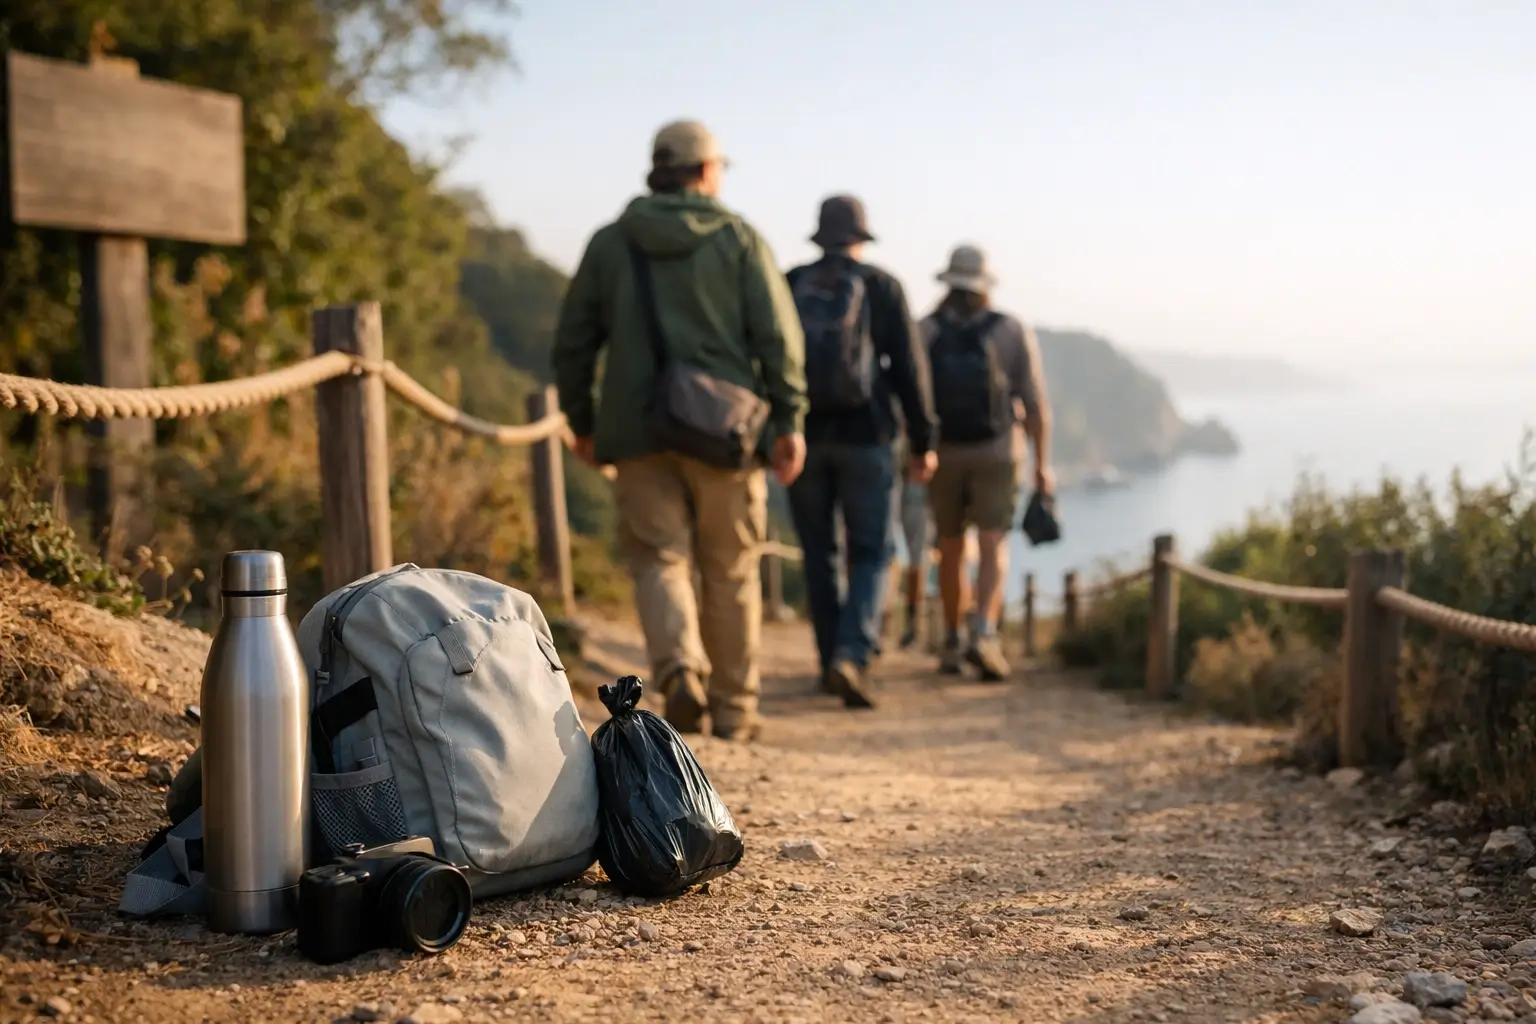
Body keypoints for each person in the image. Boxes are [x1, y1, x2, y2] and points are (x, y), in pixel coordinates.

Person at [552, 120, 808, 741]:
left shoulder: (611, 243)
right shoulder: (740, 239)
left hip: (638, 431)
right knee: (731, 568)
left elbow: (575, 342)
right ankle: (734, 708)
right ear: (704, 171)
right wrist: (789, 418)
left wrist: (583, 423)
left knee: (659, 559)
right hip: (726, 434)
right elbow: (778, 337)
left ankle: (679, 669)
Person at [784, 196, 937, 708]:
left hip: (805, 436)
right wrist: (924, 439)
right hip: (868, 437)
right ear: (861, 238)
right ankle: (852, 655)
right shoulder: (882, 286)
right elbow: (909, 369)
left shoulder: (791, 282)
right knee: (873, 551)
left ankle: (829, 658)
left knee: (819, 552)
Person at [921, 244, 1053, 681]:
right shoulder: (1011, 330)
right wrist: (1041, 464)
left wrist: (915, 453)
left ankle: (953, 638)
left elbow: (912, 401)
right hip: (998, 452)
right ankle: (985, 631)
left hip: (941, 455)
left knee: (950, 546)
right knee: (994, 543)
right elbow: (1034, 402)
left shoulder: (926, 331)